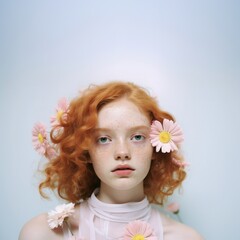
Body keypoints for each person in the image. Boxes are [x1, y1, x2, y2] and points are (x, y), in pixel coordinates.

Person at [19, 81, 203, 240]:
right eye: (103, 139)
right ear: (85, 150)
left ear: (155, 146)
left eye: (137, 137)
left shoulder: (185, 237)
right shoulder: (43, 233)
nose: (122, 152)